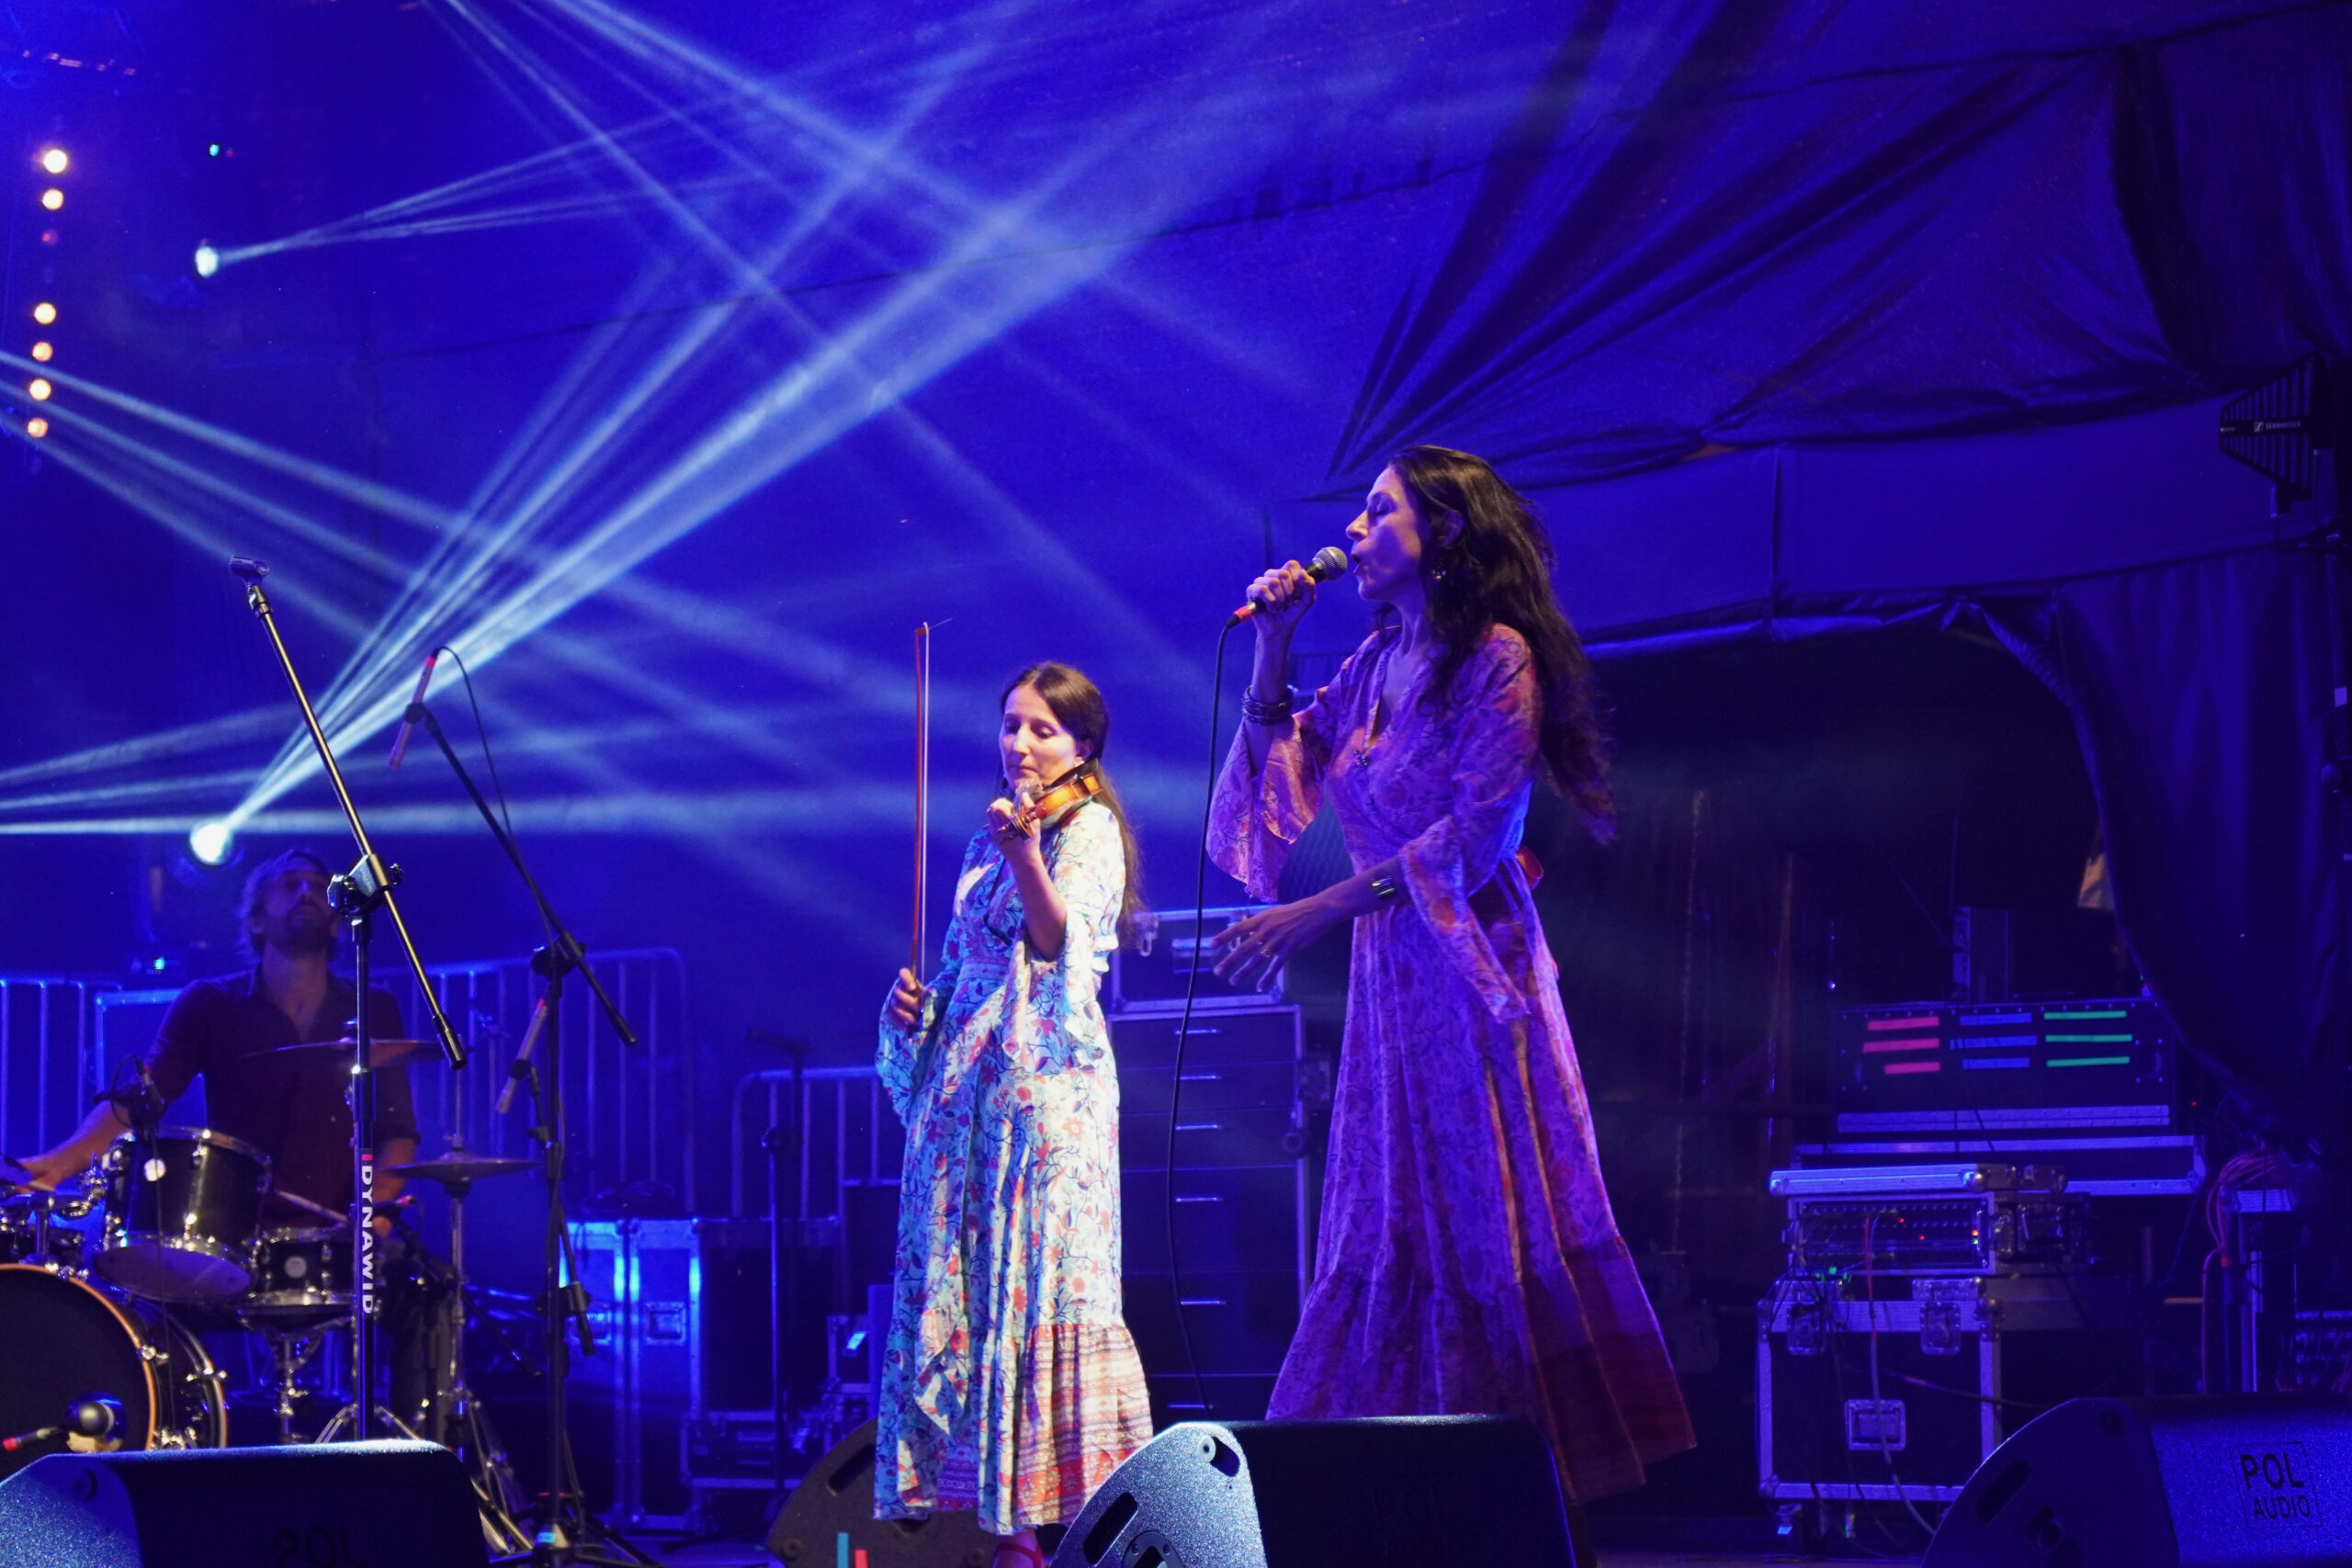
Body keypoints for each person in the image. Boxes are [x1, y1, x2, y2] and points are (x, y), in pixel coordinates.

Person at [1205, 445, 1695, 1505]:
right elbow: (1278, 804)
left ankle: (1521, 1499)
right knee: (1386, 1222)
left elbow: (1474, 838)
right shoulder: (1369, 666)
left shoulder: (1495, 661)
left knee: (1487, 1229)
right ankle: (1396, 1501)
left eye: (1378, 511)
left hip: (1474, 977)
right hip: (1392, 987)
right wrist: (1272, 648)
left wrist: (1318, 910)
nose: (1353, 531)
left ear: (1443, 533)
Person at [876, 664, 1152, 1568]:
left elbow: (1059, 943)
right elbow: (965, 964)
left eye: (1041, 729)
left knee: (1033, 1283)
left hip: (1044, 1096)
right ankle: (1007, 1534)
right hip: (970, 1088)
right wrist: (916, 1007)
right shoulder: (981, 839)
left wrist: (1026, 853)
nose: (1020, 744)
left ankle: (1056, 1528)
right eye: (1010, 725)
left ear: (1083, 745)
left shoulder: (1088, 827)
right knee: (973, 1284)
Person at [15, 847, 438, 1421]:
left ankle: (418, 1450)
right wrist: (59, 1162)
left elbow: (398, 1134)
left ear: (340, 920)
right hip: (233, 1235)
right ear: (257, 919)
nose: (306, 892)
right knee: (145, 1308)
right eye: (287, 884)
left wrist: (374, 1215)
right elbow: (139, 1103)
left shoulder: (372, 1006)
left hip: (341, 1237)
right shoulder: (211, 1003)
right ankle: (169, 1446)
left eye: (317, 884)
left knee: (431, 1290)